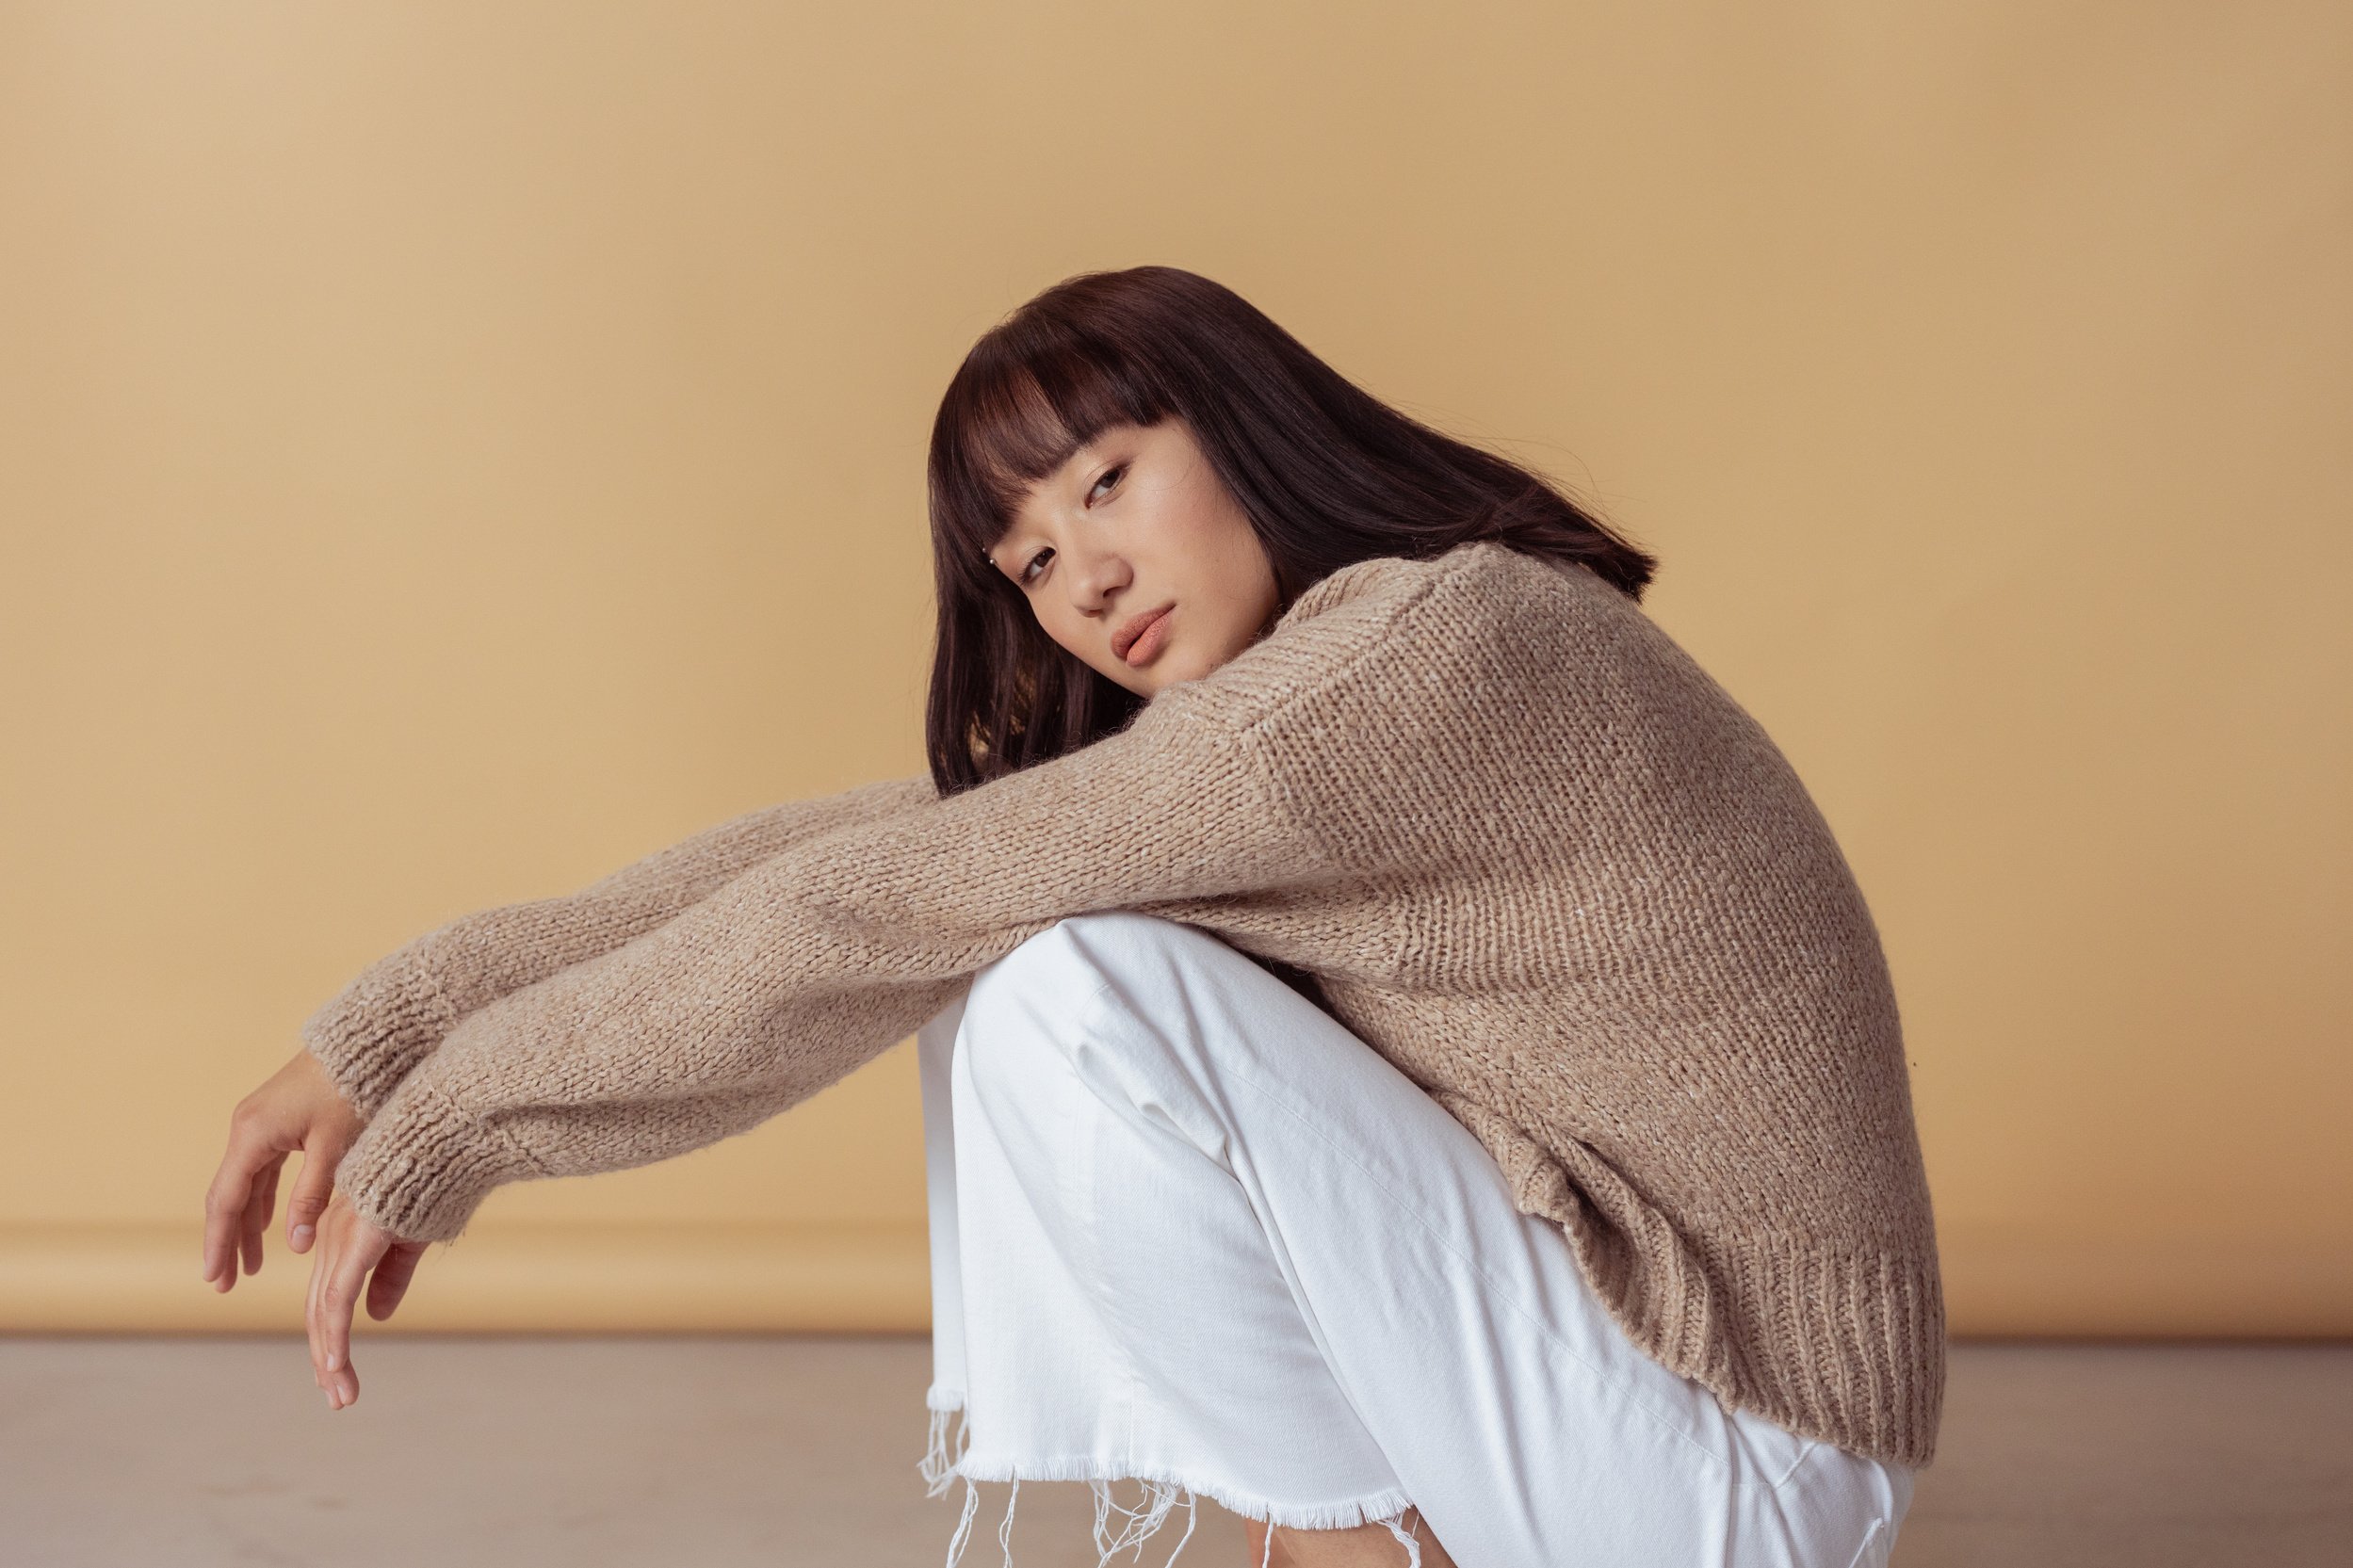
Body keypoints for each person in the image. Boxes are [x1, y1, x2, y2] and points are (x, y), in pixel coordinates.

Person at [203, 265, 1941, 1567]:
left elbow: (881, 898)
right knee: (1015, 925)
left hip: (1730, 1455)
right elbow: (862, 846)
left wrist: (456, 1124)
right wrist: (386, 1031)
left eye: (1105, 481)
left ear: (1242, 421)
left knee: (1062, 985)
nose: (1079, 580)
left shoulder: (1435, 654)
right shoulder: (1291, 711)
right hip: (1639, 1407)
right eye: (1026, 560)